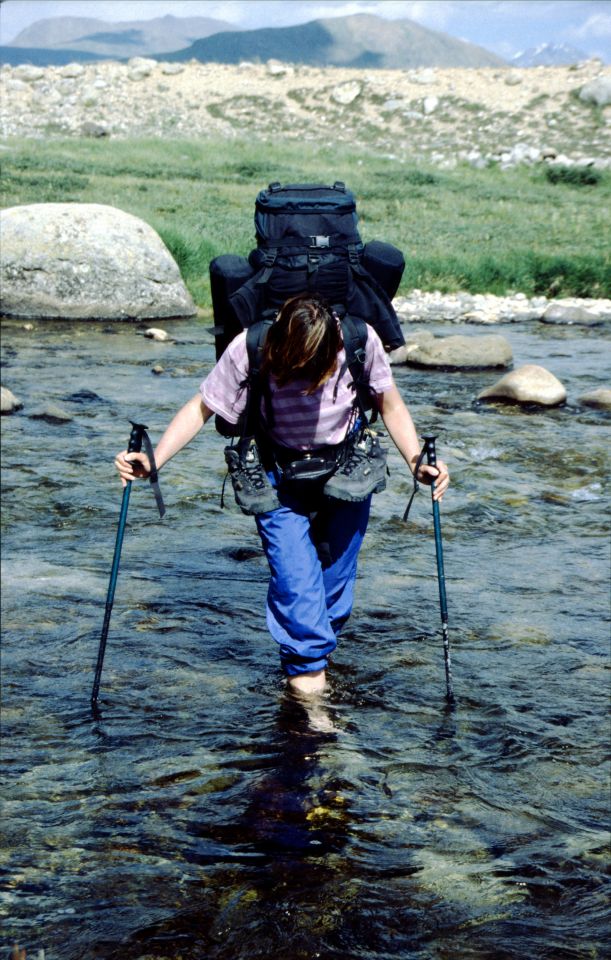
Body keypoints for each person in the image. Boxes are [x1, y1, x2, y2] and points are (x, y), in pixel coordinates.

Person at [115, 294, 449, 697]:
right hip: (277, 478)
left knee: (333, 592)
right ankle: (312, 705)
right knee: (296, 585)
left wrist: (417, 461)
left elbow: (390, 405)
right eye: (299, 372)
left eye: (320, 373)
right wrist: (155, 461)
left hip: (347, 470)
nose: (310, 386)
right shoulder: (251, 347)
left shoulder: (360, 340)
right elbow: (200, 409)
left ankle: (310, 661)